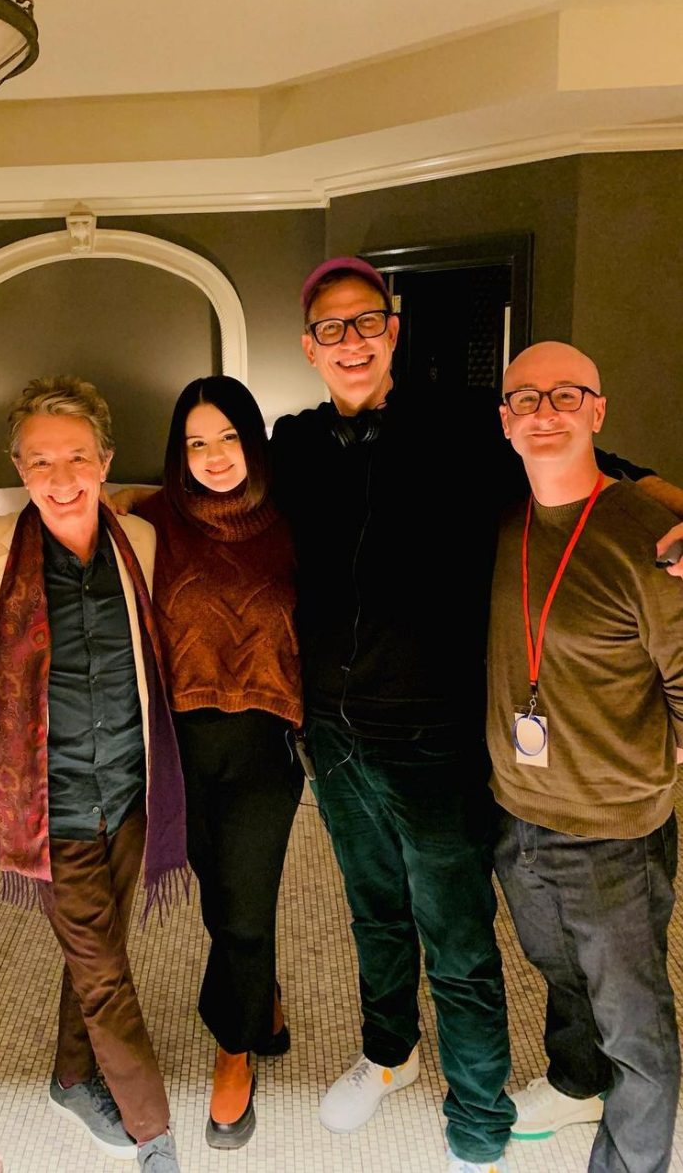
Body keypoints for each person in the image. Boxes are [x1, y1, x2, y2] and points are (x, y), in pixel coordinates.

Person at [268, 257, 679, 1173]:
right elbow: (216, 498)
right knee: (374, 913)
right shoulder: (292, 444)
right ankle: (387, 1054)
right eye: (331, 328)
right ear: (308, 347)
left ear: (392, 330)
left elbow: (598, 473)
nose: (350, 340)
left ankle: (478, 1121)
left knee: (456, 938)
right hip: (333, 735)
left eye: (365, 321)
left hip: (435, 741)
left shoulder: (463, 427)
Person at [0, 376, 188, 1173]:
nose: (61, 478)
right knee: (105, 979)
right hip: (43, 804)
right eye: (40, 461)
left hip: (128, 788)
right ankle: (153, 1134)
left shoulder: (140, 543)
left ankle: (68, 1075)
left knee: (100, 953)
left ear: (105, 460)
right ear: (18, 467)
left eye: (77, 457)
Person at [488, 341, 683, 1173]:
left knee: (635, 1027)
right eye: (524, 399)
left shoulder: (653, 538)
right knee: (559, 973)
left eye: (564, 395)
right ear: (504, 421)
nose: (544, 412)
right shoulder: (505, 521)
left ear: (597, 411)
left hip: (612, 833)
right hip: (517, 813)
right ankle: (574, 1081)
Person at [134, 376, 304, 1150]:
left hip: (266, 741)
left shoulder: (294, 520)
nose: (212, 456)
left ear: (252, 441)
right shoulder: (149, 522)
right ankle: (259, 998)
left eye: (228, 437)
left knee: (244, 903)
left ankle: (233, 1052)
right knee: (218, 892)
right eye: (195, 442)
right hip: (179, 744)